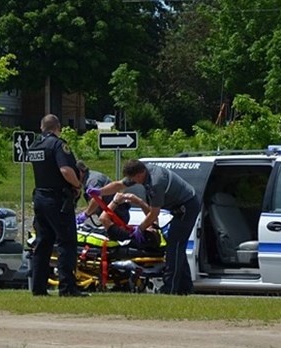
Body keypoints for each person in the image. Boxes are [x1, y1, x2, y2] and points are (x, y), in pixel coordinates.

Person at [87, 159, 200, 295]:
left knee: (174, 246)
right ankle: (185, 287)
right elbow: (119, 185)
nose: (132, 182)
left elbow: (154, 213)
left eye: (133, 179)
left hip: (187, 207)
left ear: (140, 175)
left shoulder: (155, 183)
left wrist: (139, 229)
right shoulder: (143, 171)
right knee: (177, 247)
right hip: (181, 208)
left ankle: (170, 288)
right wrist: (100, 192)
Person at [29, 114, 88, 297]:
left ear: (42, 127)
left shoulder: (35, 146)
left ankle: (38, 288)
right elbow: (65, 170)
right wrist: (77, 185)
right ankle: (67, 288)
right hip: (57, 199)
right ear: (58, 127)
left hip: (40, 197)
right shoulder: (58, 145)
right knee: (67, 242)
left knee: (43, 242)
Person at [75, 160, 129, 226]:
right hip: (113, 215)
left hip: (117, 216)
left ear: (80, 172)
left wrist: (86, 214)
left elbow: (96, 199)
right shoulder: (89, 178)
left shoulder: (92, 181)